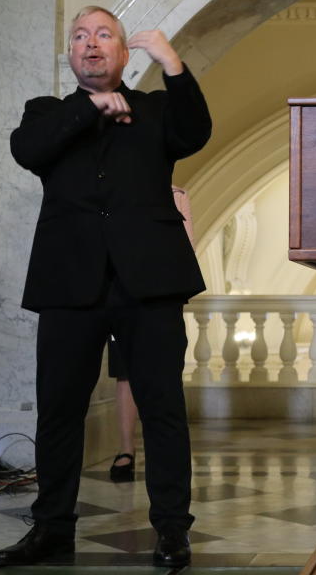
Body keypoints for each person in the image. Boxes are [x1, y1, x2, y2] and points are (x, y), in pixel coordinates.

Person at [0, 6, 211, 567]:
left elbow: (197, 132)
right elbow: (26, 151)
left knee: (162, 407)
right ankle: (52, 529)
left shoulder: (157, 109)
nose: (91, 44)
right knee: (58, 410)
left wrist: (173, 64)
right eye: (80, 36)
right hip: (70, 282)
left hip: (150, 280)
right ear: (70, 53)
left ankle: (170, 529)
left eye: (104, 35)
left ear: (122, 52)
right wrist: (90, 109)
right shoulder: (47, 112)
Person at [108, 186, 196, 483]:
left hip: (158, 296)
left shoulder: (175, 195)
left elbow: (186, 249)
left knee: (161, 381)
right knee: (125, 373)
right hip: (114, 293)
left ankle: (167, 494)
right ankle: (126, 449)